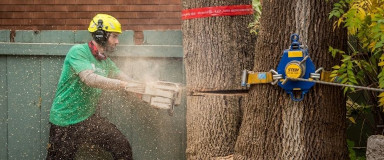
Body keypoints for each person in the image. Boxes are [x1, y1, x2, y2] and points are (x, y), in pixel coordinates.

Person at [46, 14, 143, 160]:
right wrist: (124, 85)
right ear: (100, 35)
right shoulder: (78, 52)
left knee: (122, 147)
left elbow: (120, 75)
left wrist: (139, 87)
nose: (117, 42)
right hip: (65, 122)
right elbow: (89, 79)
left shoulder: (104, 61)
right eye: (114, 37)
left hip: (87, 120)